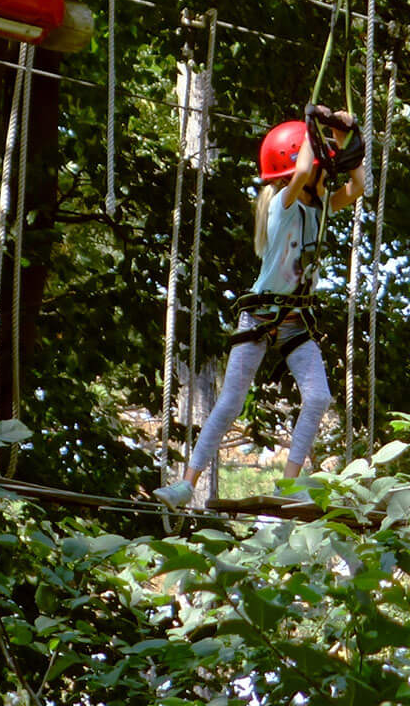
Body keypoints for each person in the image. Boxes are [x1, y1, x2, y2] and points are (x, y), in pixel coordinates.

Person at [155, 107, 366, 507]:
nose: (325, 175)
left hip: (294, 320)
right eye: (322, 168)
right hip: (261, 316)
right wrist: (311, 126)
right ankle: (186, 483)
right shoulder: (281, 206)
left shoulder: (318, 210)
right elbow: (303, 170)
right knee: (231, 402)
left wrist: (344, 135)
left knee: (318, 397)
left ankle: (289, 486)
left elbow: (357, 187)